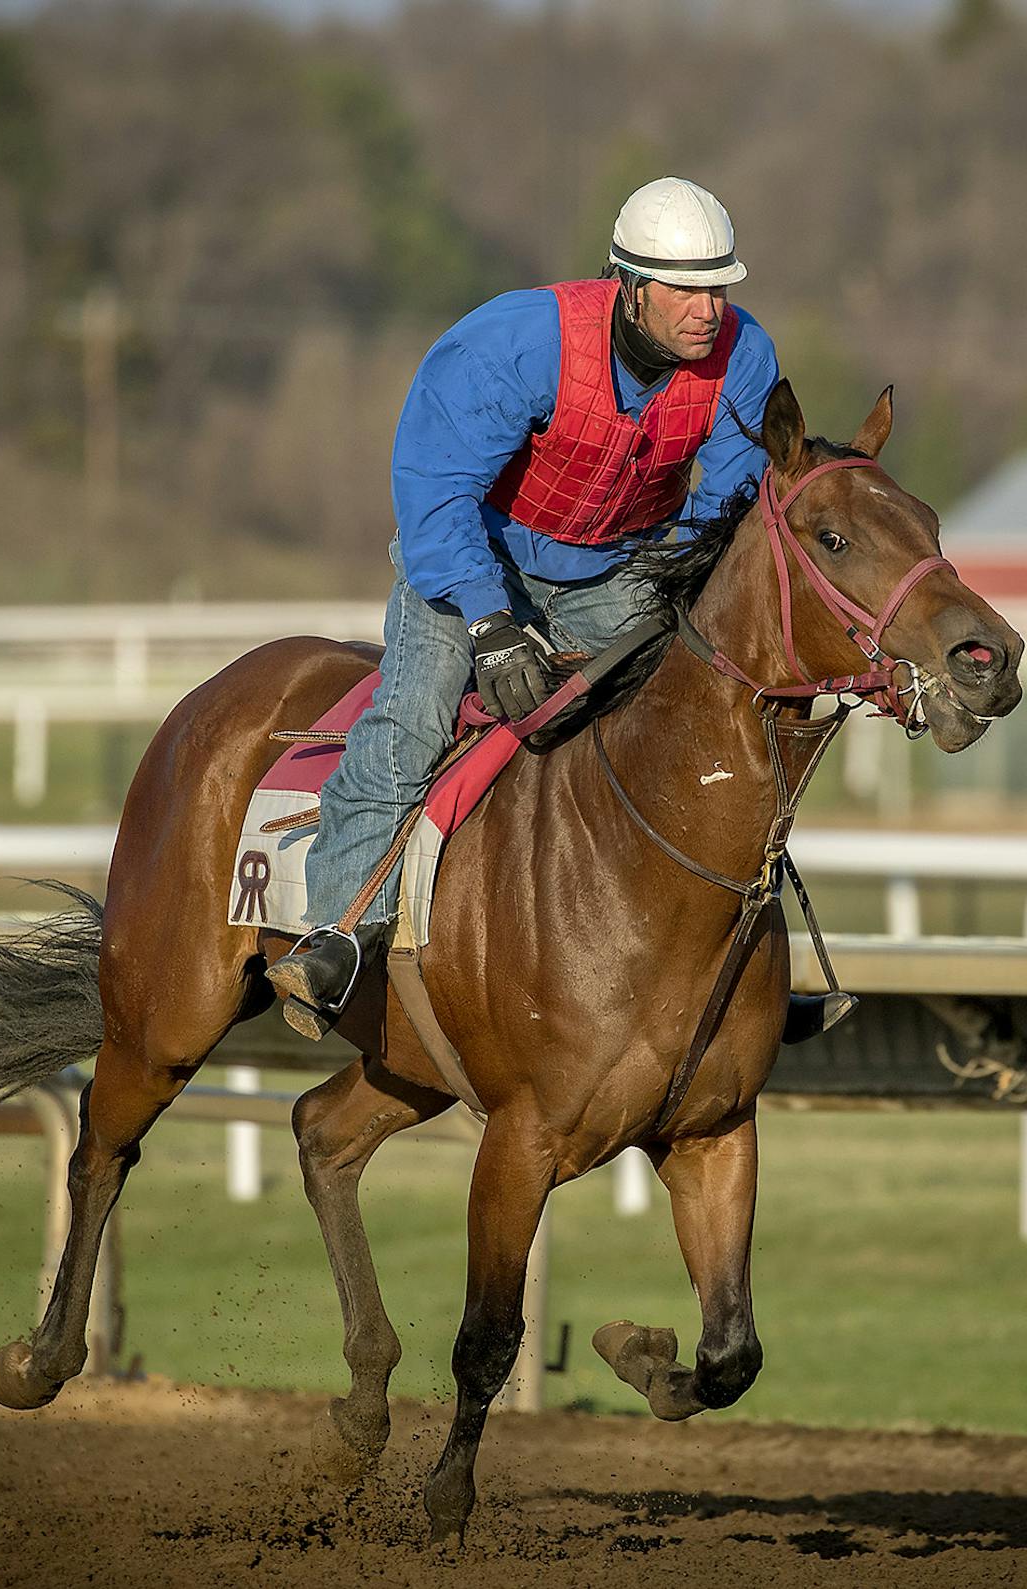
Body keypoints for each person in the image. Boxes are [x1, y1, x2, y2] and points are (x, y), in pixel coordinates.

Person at [266, 175, 781, 1038]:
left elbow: (725, 504)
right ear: (629, 283)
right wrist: (490, 622)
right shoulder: (515, 342)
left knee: (710, 715)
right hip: (473, 554)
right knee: (416, 717)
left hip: (617, 569)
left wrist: (668, 589)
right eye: (687, 288)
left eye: (720, 285)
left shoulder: (746, 357)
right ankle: (336, 935)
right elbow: (435, 494)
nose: (708, 308)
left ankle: (736, 969)